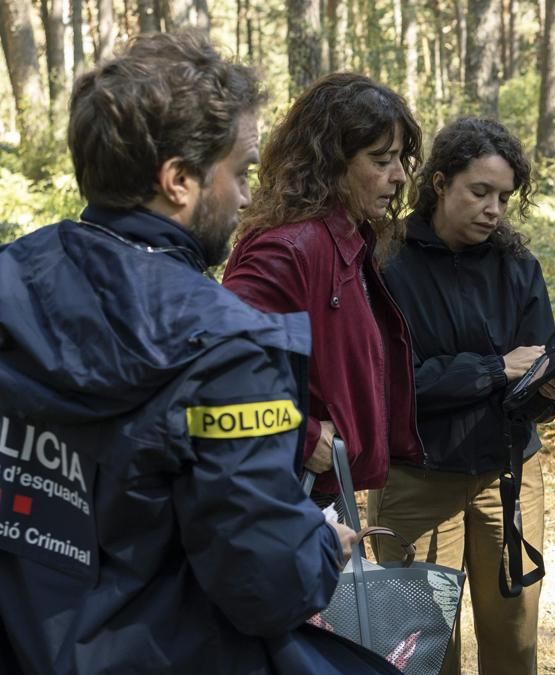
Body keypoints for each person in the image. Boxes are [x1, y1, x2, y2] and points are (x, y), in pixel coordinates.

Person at [0, 31, 395, 674]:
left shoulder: (13, 283)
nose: (244, 199)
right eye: (238, 172)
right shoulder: (231, 348)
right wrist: (320, 543)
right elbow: (268, 584)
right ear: (179, 181)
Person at [369, 117, 555, 675]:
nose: (493, 209)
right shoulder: (387, 264)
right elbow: (390, 385)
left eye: (503, 197)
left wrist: (547, 389)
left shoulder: (517, 267)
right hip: (418, 479)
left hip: (508, 478)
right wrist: (494, 369)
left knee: (513, 640)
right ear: (438, 182)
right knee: (423, 650)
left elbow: (533, 369)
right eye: (479, 192)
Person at [223, 73, 423, 503]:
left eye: (400, 159)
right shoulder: (289, 248)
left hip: (320, 492)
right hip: (284, 495)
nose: (400, 176)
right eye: (381, 159)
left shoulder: (348, 239)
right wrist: (301, 432)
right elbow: (223, 364)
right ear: (331, 162)